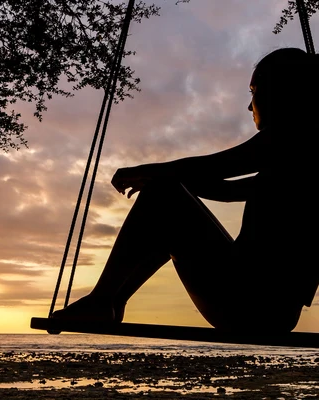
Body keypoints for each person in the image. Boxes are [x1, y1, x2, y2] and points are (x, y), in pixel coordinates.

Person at [52, 47, 319, 333]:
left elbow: (220, 166)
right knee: (166, 198)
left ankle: (103, 300)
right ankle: (111, 302)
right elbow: (225, 189)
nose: (249, 106)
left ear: (278, 91)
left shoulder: (291, 138)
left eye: (254, 90)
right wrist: (168, 180)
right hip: (272, 311)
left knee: (163, 195)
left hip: (250, 301)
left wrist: (154, 174)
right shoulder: (299, 164)